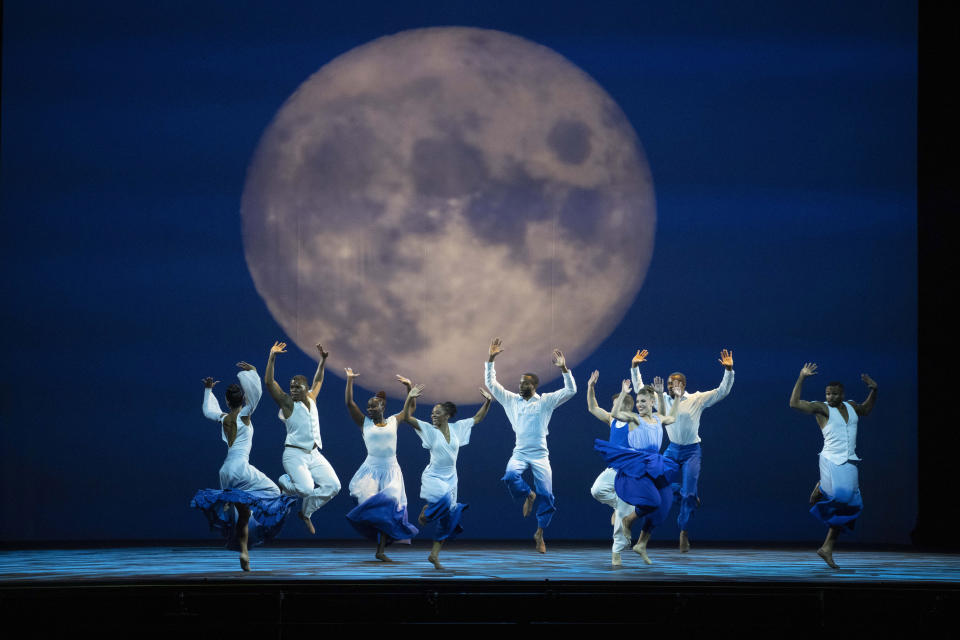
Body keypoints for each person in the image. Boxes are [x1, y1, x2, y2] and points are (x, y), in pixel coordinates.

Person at [191, 362, 296, 571]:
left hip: (225, 471)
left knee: (244, 514)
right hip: (241, 468)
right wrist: (254, 373)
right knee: (275, 491)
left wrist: (208, 389)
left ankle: (244, 552)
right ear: (243, 400)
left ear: (227, 402)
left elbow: (207, 411)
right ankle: (237, 513)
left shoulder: (224, 418)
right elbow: (256, 395)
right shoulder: (246, 415)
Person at [630, 348, 734, 552]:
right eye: (668, 383)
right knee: (657, 486)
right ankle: (686, 495)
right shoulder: (663, 401)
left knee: (688, 494)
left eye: (674, 383)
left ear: (683, 385)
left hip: (692, 452)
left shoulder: (697, 399)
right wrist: (634, 367)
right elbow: (640, 389)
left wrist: (729, 371)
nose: (670, 386)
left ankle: (684, 531)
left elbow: (722, 391)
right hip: (672, 450)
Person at [484, 337, 577, 553]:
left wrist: (564, 368)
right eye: (519, 382)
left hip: (540, 455)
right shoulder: (511, 400)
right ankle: (527, 494)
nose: (520, 385)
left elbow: (570, 391)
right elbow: (491, 384)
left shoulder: (545, 401)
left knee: (548, 496)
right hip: (520, 453)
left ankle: (540, 534)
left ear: (534, 386)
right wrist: (491, 359)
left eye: (525, 383)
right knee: (509, 476)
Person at [789, 362, 877, 568]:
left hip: (850, 460)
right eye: (828, 394)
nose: (831, 397)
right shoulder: (822, 409)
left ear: (842, 394)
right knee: (841, 498)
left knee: (853, 505)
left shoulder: (852, 406)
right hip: (830, 459)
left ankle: (827, 547)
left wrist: (874, 390)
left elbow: (866, 409)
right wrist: (801, 377)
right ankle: (822, 486)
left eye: (835, 394)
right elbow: (794, 403)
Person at [397, 386, 494, 569]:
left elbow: (478, 418)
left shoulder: (458, 428)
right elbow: (407, 418)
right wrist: (410, 397)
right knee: (445, 501)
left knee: (449, 517)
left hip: (451, 478)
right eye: (432, 413)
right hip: (433, 476)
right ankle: (427, 512)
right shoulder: (428, 429)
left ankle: (434, 555)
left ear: (447, 415)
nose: (433, 416)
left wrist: (487, 401)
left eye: (437, 413)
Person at [595, 378, 681, 564]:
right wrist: (624, 392)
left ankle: (641, 544)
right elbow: (617, 413)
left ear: (652, 402)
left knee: (664, 505)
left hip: (655, 463)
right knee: (652, 500)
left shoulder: (658, 418)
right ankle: (628, 520)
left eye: (643, 401)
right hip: (638, 465)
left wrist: (677, 398)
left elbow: (672, 417)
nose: (640, 404)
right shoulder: (634, 418)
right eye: (639, 401)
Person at [264, 340, 341, 535]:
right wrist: (272, 357)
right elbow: (269, 383)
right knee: (306, 490)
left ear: (305, 389)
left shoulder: (311, 398)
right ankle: (284, 481)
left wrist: (322, 361)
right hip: (294, 455)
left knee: (334, 486)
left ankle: (306, 513)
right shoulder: (288, 404)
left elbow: (318, 381)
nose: (293, 390)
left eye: (298, 387)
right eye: (292, 387)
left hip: (314, 454)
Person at [344, 367, 420, 561]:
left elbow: (410, 410)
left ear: (383, 407)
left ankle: (381, 550)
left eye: (374, 407)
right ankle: (380, 542)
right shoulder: (364, 423)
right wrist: (350, 380)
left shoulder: (394, 420)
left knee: (389, 509)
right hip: (370, 470)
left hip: (391, 470)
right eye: (368, 407)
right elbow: (349, 403)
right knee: (373, 507)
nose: (370, 409)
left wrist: (409, 388)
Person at [586, 368, 638, 567]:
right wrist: (591, 387)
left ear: (624, 404)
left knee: (622, 517)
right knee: (596, 490)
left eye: (615, 404)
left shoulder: (634, 421)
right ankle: (618, 507)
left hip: (628, 473)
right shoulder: (612, 419)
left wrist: (625, 392)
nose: (612, 407)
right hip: (613, 470)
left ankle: (616, 552)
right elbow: (593, 407)